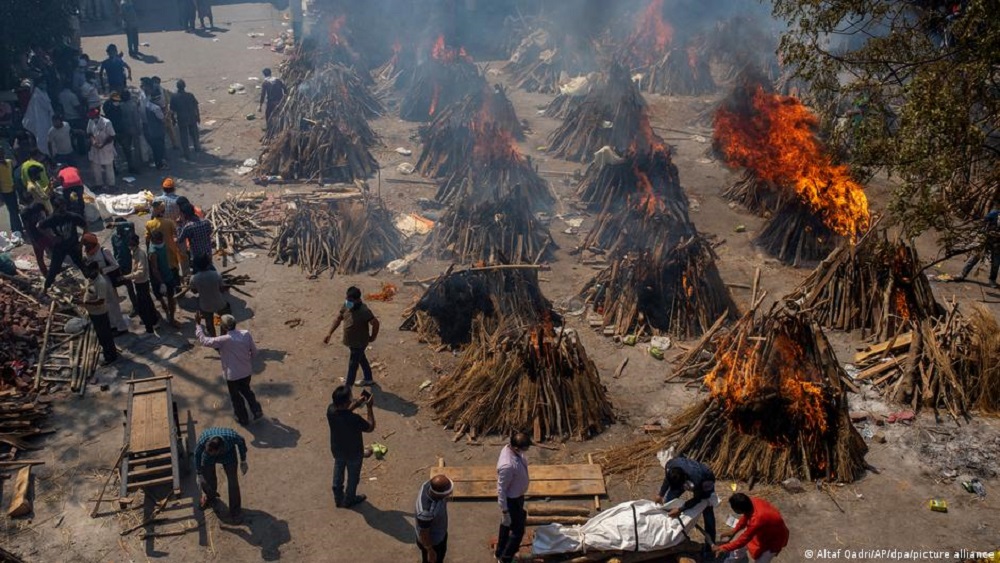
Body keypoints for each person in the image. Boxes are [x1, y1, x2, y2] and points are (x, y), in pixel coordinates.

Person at [195, 312, 261, 424]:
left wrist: (198, 325)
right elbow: (254, 352)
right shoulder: (246, 334)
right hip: (246, 371)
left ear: (223, 327)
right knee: (247, 391)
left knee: (236, 398)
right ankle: (256, 410)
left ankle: (243, 418)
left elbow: (204, 341)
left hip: (232, 376)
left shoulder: (223, 340)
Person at [326, 385, 375, 509]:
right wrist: (369, 408)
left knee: (338, 468)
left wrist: (357, 404)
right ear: (345, 403)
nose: (352, 400)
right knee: (353, 478)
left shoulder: (330, 411)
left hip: (337, 449)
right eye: (350, 399)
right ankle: (350, 499)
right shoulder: (354, 419)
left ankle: (338, 497)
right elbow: (370, 427)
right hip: (354, 452)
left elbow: (344, 412)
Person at [323, 286, 380, 387]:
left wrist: (373, 337)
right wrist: (329, 333)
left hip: (359, 343)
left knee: (353, 365)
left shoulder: (364, 311)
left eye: (350, 300)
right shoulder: (346, 305)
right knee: (361, 358)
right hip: (351, 341)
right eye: (347, 299)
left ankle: (347, 389)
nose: (348, 302)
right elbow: (338, 318)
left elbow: (375, 323)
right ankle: (368, 379)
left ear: (358, 300)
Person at [655, 456, 717, 547]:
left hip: (706, 481)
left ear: (684, 480)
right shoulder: (670, 465)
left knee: (707, 509)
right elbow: (667, 479)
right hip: (686, 478)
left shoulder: (698, 479)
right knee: (668, 502)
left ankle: (710, 544)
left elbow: (697, 499)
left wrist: (680, 509)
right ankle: (669, 532)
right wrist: (661, 494)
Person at [714, 494, 789, 562]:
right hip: (763, 532)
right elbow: (746, 517)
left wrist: (723, 548)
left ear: (738, 510)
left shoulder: (756, 521)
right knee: (739, 549)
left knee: (761, 561)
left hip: (775, 540)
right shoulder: (753, 502)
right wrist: (734, 531)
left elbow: (743, 541)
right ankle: (731, 560)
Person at [194, 427, 248, 522]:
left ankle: (235, 511)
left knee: (233, 482)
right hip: (208, 458)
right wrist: (199, 473)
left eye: (212, 452)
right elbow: (197, 454)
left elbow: (241, 441)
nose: (209, 452)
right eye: (207, 449)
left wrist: (243, 460)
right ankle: (210, 497)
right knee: (208, 478)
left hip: (229, 456)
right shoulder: (204, 440)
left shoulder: (232, 437)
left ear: (220, 449)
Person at [82, 232, 129, 334]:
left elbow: (115, 265)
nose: (87, 247)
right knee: (105, 304)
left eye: (88, 244)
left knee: (113, 304)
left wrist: (103, 270)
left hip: (106, 279)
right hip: (96, 280)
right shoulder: (88, 252)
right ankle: (112, 325)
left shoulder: (104, 251)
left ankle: (121, 327)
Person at [495, 432, 531, 563]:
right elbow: (501, 489)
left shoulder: (512, 450)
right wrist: (505, 510)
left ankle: (499, 551)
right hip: (512, 501)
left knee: (506, 524)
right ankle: (506, 558)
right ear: (516, 448)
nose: (526, 451)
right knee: (518, 531)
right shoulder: (507, 465)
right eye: (525, 448)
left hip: (517, 497)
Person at [40, 197, 88, 291]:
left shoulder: (72, 216)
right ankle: (46, 288)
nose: (63, 212)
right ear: (55, 208)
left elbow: (85, 226)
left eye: (64, 208)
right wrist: (52, 237)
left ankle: (93, 284)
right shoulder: (52, 219)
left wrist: (81, 244)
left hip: (73, 246)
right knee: (53, 269)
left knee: (82, 265)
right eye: (60, 209)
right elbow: (39, 226)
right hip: (59, 248)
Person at [79, 262, 120, 365]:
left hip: (100, 313)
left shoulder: (100, 282)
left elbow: (101, 301)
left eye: (90, 270)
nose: (88, 273)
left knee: (105, 335)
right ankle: (110, 351)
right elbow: (89, 290)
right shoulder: (91, 279)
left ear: (96, 270)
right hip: (93, 313)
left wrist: (85, 303)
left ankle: (110, 356)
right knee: (101, 335)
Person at [122, 234, 158, 334]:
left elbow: (140, 272)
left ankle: (149, 327)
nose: (130, 246)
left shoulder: (140, 254)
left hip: (142, 283)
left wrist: (127, 276)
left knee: (143, 307)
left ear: (135, 244)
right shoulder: (134, 252)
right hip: (139, 283)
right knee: (148, 303)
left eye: (131, 244)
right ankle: (154, 320)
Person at [955, 209, 1000, 289]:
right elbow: (984, 221)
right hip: (986, 239)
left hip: (998, 244)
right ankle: (962, 274)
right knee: (975, 257)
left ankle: (992, 280)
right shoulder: (994, 213)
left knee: (996, 263)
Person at [415, 474, 454, 563]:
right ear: (441, 494)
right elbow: (424, 534)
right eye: (449, 492)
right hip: (433, 542)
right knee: (434, 560)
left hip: (439, 533)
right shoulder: (427, 512)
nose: (450, 493)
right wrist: (430, 551)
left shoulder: (427, 485)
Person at [107, 217, 139, 317]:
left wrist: (116, 224)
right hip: (121, 265)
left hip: (133, 264)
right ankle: (135, 306)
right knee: (129, 287)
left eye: (120, 226)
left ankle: (140, 305)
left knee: (138, 286)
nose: (120, 228)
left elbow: (131, 223)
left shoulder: (129, 234)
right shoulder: (114, 237)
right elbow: (115, 251)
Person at [147, 229, 179, 326]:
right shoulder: (153, 252)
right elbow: (155, 269)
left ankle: (172, 318)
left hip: (168, 274)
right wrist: (162, 282)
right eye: (158, 240)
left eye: (161, 240)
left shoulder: (163, 244)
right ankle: (165, 308)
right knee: (160, 297)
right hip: (159, 279)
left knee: (171, 298)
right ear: (153, 240)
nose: (161, 242)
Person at [190, 254, 228, 336]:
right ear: (208, 263)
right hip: (219, 302)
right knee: (224, 317)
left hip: (205, 305)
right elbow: (222, 289)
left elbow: (194, 291)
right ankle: (223, 336)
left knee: (209, 322)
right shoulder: (216, 275)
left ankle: (214, 339)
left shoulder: (194, 278)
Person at [86, 107, 117, 192]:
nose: (92, 118)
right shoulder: (91, 121)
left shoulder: (107, 122)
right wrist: (93, 141)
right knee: (96, 167)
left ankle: (111, 185)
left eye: (93, 117)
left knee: (109, 167)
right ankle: (98, 184)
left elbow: (112, 135)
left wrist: (102, 145)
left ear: (97, 115)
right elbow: (89, 133)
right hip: (95, 148)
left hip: (106, 147)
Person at [22, 80, 55, 156]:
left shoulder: (43, 93)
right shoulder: (37, 96)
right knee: (42, 137)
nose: (45, 84)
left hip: (46, 118)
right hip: (40, 120)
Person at [170, 79, 201, 160]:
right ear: (184, 86)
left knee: (184, 136)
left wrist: (173, 120)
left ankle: (186, 153)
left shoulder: (174, 97)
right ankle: (197, 147)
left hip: (182, 118)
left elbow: (172, 111)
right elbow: (196, 106)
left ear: (177, 87)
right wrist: (198, 116)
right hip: (191, 117)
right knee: (194, 133)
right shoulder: (190, 95)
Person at [20, 203, 52, 276]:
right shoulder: (29, 214)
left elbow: (27, 229)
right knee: (42, 257)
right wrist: (34, 242)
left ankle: (48, 272)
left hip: (41, 237)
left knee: (41, 257)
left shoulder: (28, 213)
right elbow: (28, 229)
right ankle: (46, 273)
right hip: (39, 237)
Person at [177, 201, 212, 266]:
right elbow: (210, 232)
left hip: (197, 256)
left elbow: (180, 240)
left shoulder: (188, 227)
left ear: (184, 214)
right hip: (208, 253)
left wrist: (179, 225)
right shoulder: (206, 222)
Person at [142, 89, 168, 170]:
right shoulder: (156, 108)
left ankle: (158, 164)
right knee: (160, 148)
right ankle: (161, 164)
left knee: (155, 149)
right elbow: (162, 119)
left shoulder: (147, 105)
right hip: (158, 131)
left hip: (151, 130)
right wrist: (167, 114)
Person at [151, 77, 179, 150]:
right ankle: (174, 144)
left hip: (160, 113)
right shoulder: (162, 91)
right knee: (169, 130)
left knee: (164, 131)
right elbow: (168, 100)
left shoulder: (153, 92)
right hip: (165, 112)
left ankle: (168, 146)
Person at [0, 157, 23, 236]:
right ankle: (17, 228)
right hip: (5, 191)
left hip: (13, 189)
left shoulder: (9, 162)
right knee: (13, 211)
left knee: (15, 209)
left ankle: (16, 227)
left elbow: (13, 174)